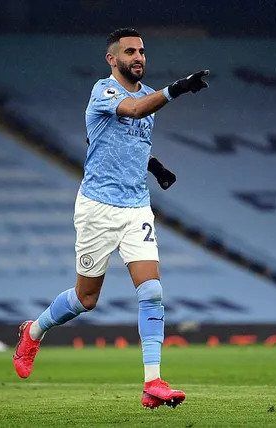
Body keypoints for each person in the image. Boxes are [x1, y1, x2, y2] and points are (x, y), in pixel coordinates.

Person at [13, 28, 209, 408]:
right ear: (112, 59)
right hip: (97, 208)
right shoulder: (104, 91)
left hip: (137, 207)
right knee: (86, 299)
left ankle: (153, 383)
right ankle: (33, 332)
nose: (139, 57)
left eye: (142, 51)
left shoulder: (146, 97)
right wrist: (177, 89)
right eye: (130, 51)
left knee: (151, 291)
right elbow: (132, 111)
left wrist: (156, 168)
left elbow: (127, 141)